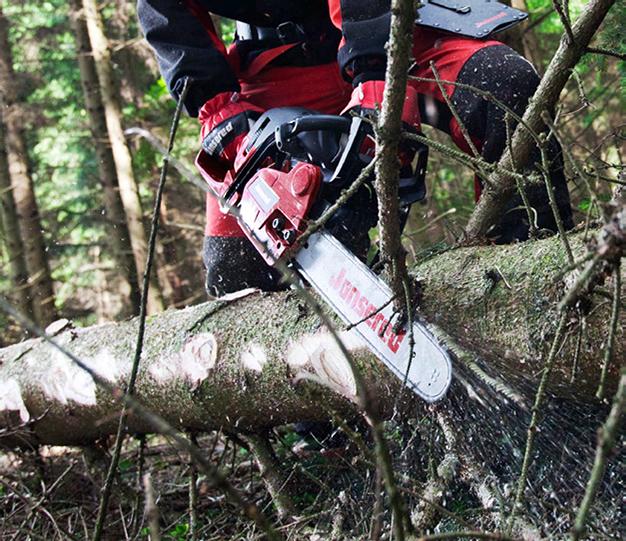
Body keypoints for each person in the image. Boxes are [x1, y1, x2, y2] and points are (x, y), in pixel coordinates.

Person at [137, 0, 574, 298]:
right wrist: (219, 109)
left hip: (396, 26)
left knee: (502, 85)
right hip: (276, 60)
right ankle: (320, 421)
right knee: (235, 265)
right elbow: (166, 12)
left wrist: (376, 73)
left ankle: (537, 283)